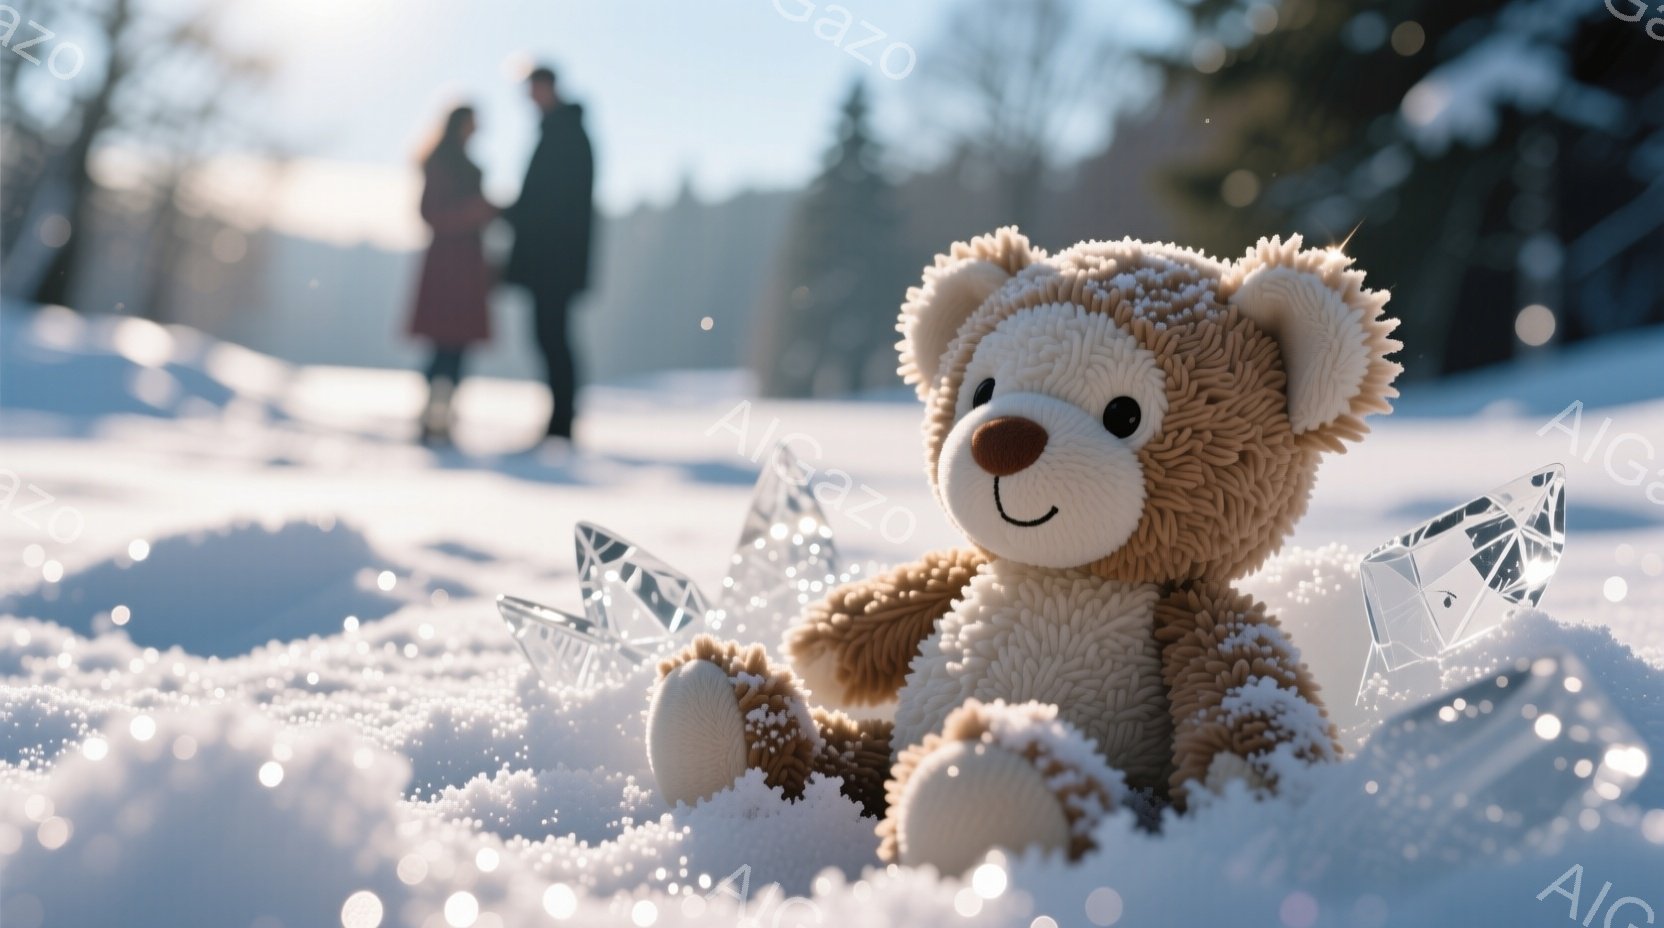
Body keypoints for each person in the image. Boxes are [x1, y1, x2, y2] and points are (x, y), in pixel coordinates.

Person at [502, 64, 595, 446]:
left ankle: (562, 422)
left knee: (551, 338)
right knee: (550, 337)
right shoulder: (561, 130)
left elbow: (551, 202)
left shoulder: (564, 133)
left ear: (546, 87)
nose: (528, 98)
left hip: (555, 261)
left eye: (531, 89)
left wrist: (509, 214)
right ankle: (560, 419)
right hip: (555, 260)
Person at [407, 104, 497, 446]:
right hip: (447, 266)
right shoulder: (441, 162)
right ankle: (434, 414)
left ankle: (442, 414)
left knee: (456, 346)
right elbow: (430, 212)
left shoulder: (463, 163)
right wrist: (472, 213)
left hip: (466, 266)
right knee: (443, 344)